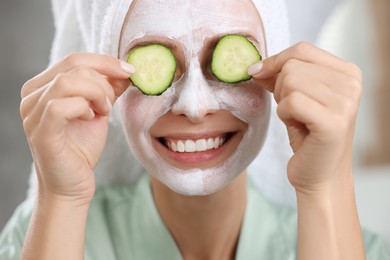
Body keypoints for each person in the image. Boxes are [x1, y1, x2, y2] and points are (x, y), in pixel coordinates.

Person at [0, 0, 389, 259]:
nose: (194, 106)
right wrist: (63, 196)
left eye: (229, 62)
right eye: (154, 61)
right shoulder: (38, 236)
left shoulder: (358, 249)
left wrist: (325, 185)